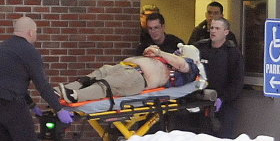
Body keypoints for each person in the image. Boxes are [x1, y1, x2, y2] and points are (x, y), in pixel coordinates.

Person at [57, 44, 200, 104]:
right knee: (96, 75)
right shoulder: (166, 60)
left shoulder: (190, 68)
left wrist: (159, 53)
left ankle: (76, 96)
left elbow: (181, 64)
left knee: (106, 85)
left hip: (137, 77)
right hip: (126, 67)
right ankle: (62, 90)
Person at [195, 18, 245, 137]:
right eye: (212, 28)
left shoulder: (232, 53)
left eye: (217, 28)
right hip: (202, 103)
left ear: (226, 32)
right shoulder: (200, 47)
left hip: (225, 105)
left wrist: (222, 99)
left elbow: (237, 82)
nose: (213, 31)